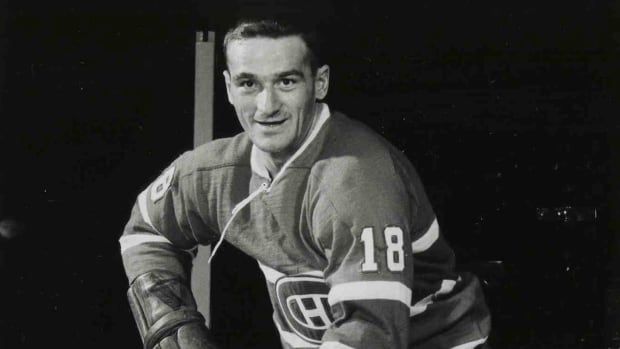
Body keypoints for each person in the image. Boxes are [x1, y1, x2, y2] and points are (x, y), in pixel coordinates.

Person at [119, 18, 491, 349]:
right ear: (229, 88)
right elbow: (144, 232)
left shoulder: (356, 181)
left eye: (286, 81)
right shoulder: (213, 172)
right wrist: (174, 329)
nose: (267, 106)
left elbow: (372, 333)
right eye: (249, 83)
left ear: (320, 82)